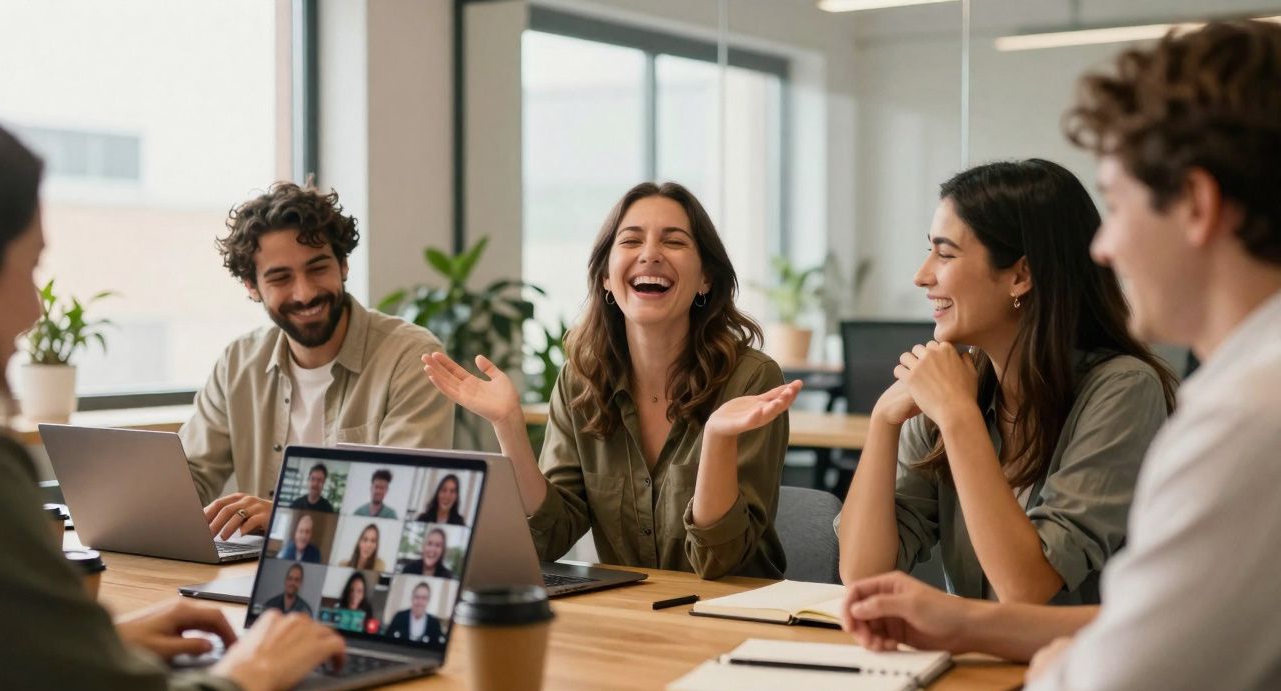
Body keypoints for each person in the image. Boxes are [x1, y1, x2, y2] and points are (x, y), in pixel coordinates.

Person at [841, 21, 1281, 691]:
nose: (1104, 248)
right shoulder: (1248, 395)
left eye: (1120, 203)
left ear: (1196, 205)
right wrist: (967, 621)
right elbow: (1146, 622)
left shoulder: (1242, 417)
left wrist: (1052, 668)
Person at [0, 108, 344, 691]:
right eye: (29, 268)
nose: (36, 309)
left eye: (317, 267)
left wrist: (96, 644)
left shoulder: (407, 353)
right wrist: (254, 668)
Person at [835, 159, 1176, 604]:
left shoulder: (1124, 390)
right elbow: (863, 574)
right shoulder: (956, 387)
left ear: (1020, 275)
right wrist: (884, 420)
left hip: (1080, 668)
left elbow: (1025, 586)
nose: (922, 275)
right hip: (978, 665)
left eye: (945, 253)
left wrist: (959, 418)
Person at [423, 182, 802, 579]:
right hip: (627, 616)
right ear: (606, 276)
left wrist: (718, 440)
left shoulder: (751, 379)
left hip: (732, 618)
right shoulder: (581, 379)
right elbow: (549, 536)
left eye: (673, 242)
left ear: (706, 278)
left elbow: (718, 563)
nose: (650, 254)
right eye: (631, 240)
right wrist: (508, 427)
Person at [182, 182, 455, 540]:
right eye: (280, 277)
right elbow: (189, 478)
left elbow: (405, 503)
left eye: (317, 268)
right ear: (252, 286)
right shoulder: (238, 362)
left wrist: (285, 517)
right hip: (251, 570)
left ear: (343, 264)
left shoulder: (410, 357)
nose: (305, 292)